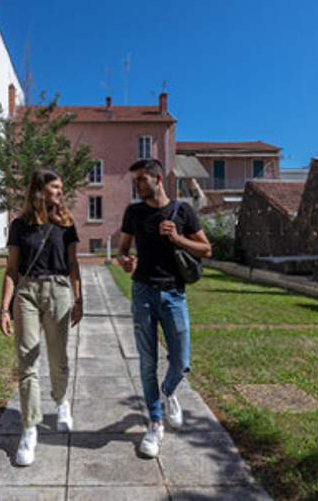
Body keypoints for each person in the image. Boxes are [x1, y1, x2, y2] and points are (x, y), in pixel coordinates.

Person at [117, 158, 211, 458]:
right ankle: (155, 423)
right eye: (135, 180)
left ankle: (168, 391)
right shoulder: (134, 212)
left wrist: (177, 238)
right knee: (147, 362)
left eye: (141, 179)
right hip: (143, 292)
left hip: (174, 294)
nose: (137, 185)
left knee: (181, 359)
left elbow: (206, 249)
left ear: (157, 179)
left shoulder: (183, 211)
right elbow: (122, 250)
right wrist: (125, 261)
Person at [0, 169, 83, 466]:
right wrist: (4, 308)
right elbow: (11, 269)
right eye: (55, 187)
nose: (60, 192)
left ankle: (61, 401)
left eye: (61, 187)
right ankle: (29, 427)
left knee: (58, 357)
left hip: (59, 291)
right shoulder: (19, 226)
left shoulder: (66, 224)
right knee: (27, 361)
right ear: (39, 190)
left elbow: (73, 265)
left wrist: (79, 299)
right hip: (27, 293)